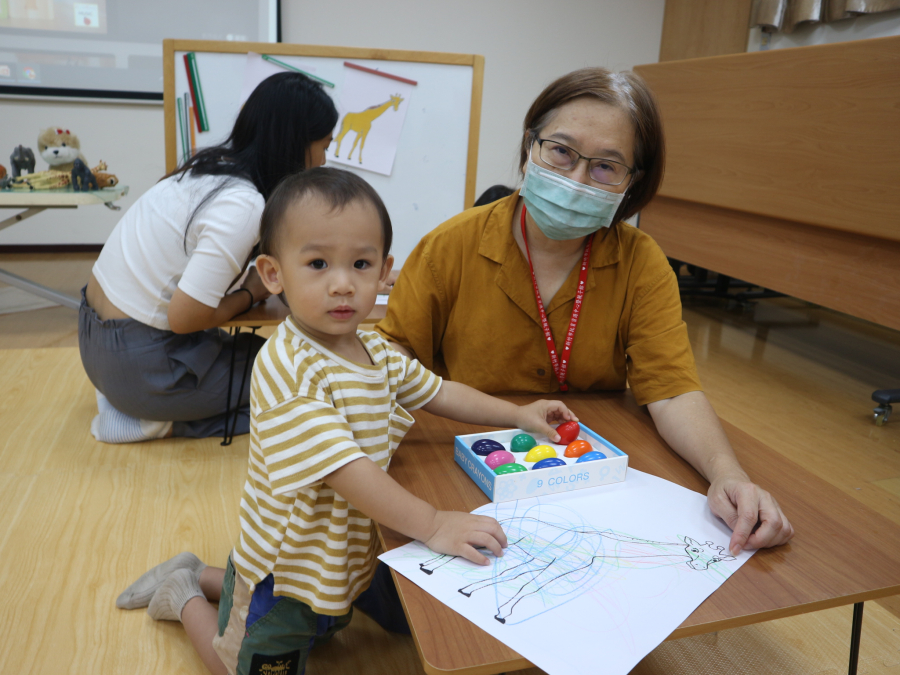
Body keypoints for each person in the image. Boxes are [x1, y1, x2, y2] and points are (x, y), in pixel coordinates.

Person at [114, 167, 577, 675]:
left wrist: (516, 413)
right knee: (242, 666)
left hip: (345, 555)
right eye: (316, 263)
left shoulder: (375, 348)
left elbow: (440, 391)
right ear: (273, 275)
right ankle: (183, 594)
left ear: (384, 272)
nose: (342, 283)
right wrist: (433, 523)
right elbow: (346, 469)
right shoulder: (288, 366)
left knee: (365, 622)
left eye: (360, 263)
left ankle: (202, 573)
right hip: (286, 573)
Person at [376, 68, 795, 558]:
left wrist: (728, 472)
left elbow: (673, 390)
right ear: (530, 144)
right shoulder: (449, 245)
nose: (576, 179)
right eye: (561, 151)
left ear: (633, 182)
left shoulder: (642, 262)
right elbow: (391, 361)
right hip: (470, 466)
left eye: (605, 167)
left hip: (595, 476)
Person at [79, 72, 338, 443]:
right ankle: (154, 422)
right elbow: (185, 318)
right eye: (324, 145)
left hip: (95, 342)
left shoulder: (207, 170)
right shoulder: (244, 204)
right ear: (296, 143)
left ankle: (140, 405)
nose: (324, 160)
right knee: (300, 381)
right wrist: (250, 294)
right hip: (140, 369)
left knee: (262, 353)